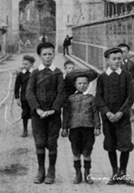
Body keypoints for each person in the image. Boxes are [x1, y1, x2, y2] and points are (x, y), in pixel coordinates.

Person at [95, 46, 134, 186]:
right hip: (108, 118)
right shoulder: (102, 77)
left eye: (120, 58)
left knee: (125, 144)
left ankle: (123, 173)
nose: (117, 61)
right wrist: (107, 112)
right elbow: (98, 97)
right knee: (110, 144)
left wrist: (121, 112)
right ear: (107, 61)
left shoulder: (127, 76)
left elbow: (131, 97)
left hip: (123, 117)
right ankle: (115, 173)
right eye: (114, 59)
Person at [26, 42, 66, 185]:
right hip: (38, 115)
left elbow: (62, 93)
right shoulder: (35, 73)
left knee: (51, 142)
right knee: (40, 142)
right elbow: (29, 93)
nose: (48, 57)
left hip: (53, 115)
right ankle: (41, 170)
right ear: (39, 56)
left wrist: (53, 109)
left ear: (54, 54)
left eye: (50, 54)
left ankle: (51, 170)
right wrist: (38, 109)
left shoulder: (58, 72)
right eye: (45, 54)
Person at [62, 73, 101, 185]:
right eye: (79, 83)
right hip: (74, 128)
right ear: (75, 84)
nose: (82, 85)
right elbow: (66, 113)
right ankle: (78, 174)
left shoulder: (91, 98)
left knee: (87, 152)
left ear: (88, 84)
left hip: (88, 128)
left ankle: (87, 174)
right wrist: (64, 127)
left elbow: (95, 113)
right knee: (76, 152)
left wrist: (97, 126)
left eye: (84, 83)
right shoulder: (70, 98)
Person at [14, 55, 36, 137]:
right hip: (24, 98)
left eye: (26, 64)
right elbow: (17, 86)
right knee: (25, 113)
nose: (24, 66)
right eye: (23, 64)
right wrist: (17, 97)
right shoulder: (20, 74)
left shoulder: (35, 73)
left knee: (34, 113)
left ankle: (35, 129)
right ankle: (25, 129)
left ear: (31, 64)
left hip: (34, 98)